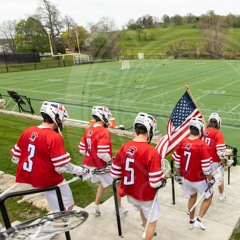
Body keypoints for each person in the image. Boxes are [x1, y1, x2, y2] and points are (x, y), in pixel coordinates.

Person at [10, 101, 90, 212]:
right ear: (56, 116)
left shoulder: (27, 131)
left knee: (59, 207)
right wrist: (80, 170)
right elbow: (61, 166)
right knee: (66, 207)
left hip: (28, 176)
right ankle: (60, 227)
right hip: (48, 180)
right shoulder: (53, 136)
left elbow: (15, 158)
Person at [111, 112, 166, 240]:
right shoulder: (151, 151)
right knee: (153, 221)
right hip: (146, 196)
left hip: (131, 195)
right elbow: (155, 182)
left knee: (142, 210)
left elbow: (114, 173)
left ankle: (145, 228)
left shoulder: (124, 147)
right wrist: (162, 180)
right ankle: (148, 233)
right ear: (150, 130)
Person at [78, 106, 128, 216]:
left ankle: (95, 206)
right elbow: (102, 153)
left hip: (90, 163)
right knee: (118, 183)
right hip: (100, 164)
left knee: (103, 184)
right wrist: (111, 160)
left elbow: (82, 150)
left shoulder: (89, 129)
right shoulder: (103, 131)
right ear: (103, 116)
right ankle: (118, 208)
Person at [172, 117, 214, 231]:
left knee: (192, 197)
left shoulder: (183, 141)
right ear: (200, 130)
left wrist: (178, 174)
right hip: (199, 179)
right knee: (209, 196)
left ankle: (191, 221)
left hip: (186, 178)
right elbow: (206, 168)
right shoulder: (202, 144)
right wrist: (210, 179)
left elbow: (177, 162)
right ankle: (198, 219)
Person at [202, 113, 227, 201]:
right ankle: (222, 195)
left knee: (207, 180)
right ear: (218, 123)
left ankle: (208, 195)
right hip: (215, 161)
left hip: (203, 161)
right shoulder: (218, 133)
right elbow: (220, 152)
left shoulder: (203, 130)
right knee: (219, 179)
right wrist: (223, 161)